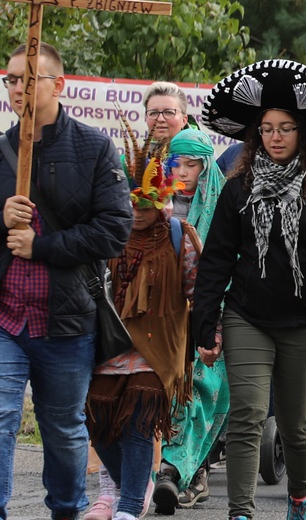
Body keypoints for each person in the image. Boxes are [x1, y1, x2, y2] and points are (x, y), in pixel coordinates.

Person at [193, 59, 306, 520]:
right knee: (247, 415)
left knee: (295, 424)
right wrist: (204, 323)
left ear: (303, 132)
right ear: (256, 135)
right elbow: (215, 261)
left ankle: (300, 496)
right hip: (247, 314)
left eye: (286, 127)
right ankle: (241, 512)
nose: (275, 136)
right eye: (266, 128)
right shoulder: (238, 189)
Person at [0, 42, 132, 520]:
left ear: (58, 84)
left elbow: (114, 230)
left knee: (65, 429)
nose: (19, 88)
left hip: (66, 321)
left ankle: (67, 511)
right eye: (11, 80)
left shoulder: (93, 148)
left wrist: (42, 246)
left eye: (29, 79)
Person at [86, 159, 200, 520]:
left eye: (146, 204)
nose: (137, 212)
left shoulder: (180, 235)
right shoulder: (107, 235)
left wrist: (210, 336)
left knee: (138, 419)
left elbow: (200, 290)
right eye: (130, 204)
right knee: (98, 418)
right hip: (110, 342)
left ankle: (130, 507)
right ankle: (130, 486)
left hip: (159, 345)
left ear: (162, 200)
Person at [151, 128, 229, 514]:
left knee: (199, 391)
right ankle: (165, 471)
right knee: (164, 393)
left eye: (191, 163)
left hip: (208, 315)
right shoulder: (154, 203)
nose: (181, 170)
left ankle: (174, 469)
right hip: (163, 317)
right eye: (175, 162)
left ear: (205, 166)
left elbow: (232, 262)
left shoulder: (223, 202)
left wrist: (201, 249)